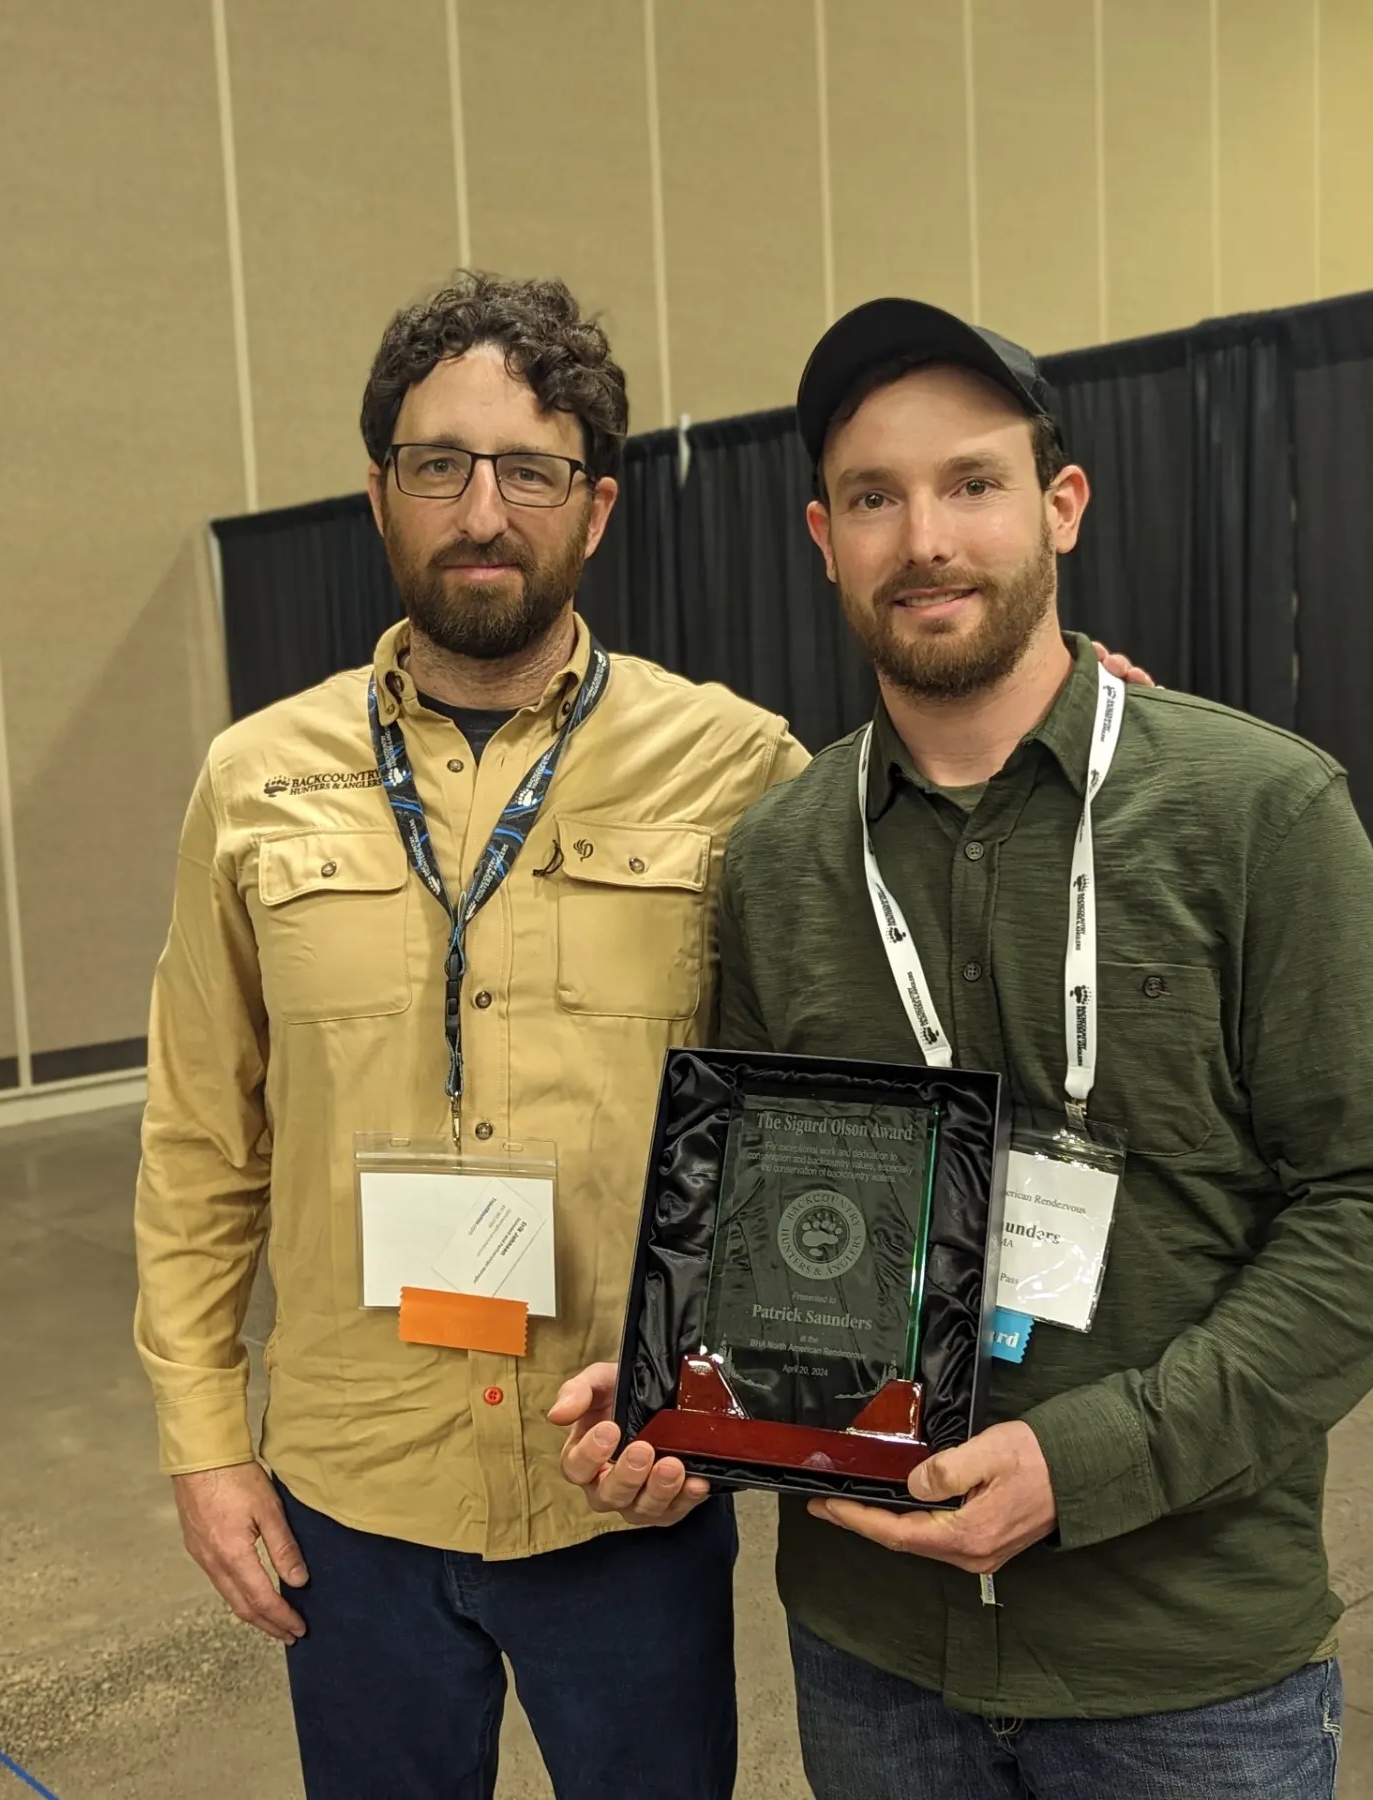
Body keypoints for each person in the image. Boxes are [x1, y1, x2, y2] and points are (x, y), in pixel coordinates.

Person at [556, 297, 1373, 1800]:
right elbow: (759, 1213)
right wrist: (677, 1384)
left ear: (1060, 505)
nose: (924, 535)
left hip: (1184, 1668)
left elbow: (1359, 1211)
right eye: (876, 496)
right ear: (824, 536)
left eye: (972, 483)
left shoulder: (1262, 817)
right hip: (877, 1662)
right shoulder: (784, 857)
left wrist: (1090, 1463)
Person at [132, 271, 812, 1800]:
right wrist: (203, 1442)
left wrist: (718, 1390)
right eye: (439, 465)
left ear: (599, 506)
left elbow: (807, 1116)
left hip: (620, 1484)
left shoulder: (738, 765)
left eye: (530, 470)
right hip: (349, 1494)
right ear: (380, 492)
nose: (482, 509)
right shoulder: (254, 782)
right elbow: (198, 1142)